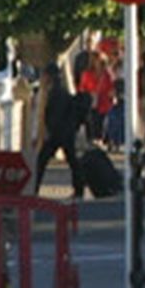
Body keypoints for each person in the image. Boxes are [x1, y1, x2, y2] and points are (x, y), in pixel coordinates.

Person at [34, 66, 86, 199]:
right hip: (65, 132)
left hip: (59, 133)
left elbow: (54, 115)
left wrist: (49, 132)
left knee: (42, 160)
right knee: (72, 161)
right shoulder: (59, 89)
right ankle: (79, 189)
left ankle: (34, 189)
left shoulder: (57, 92)